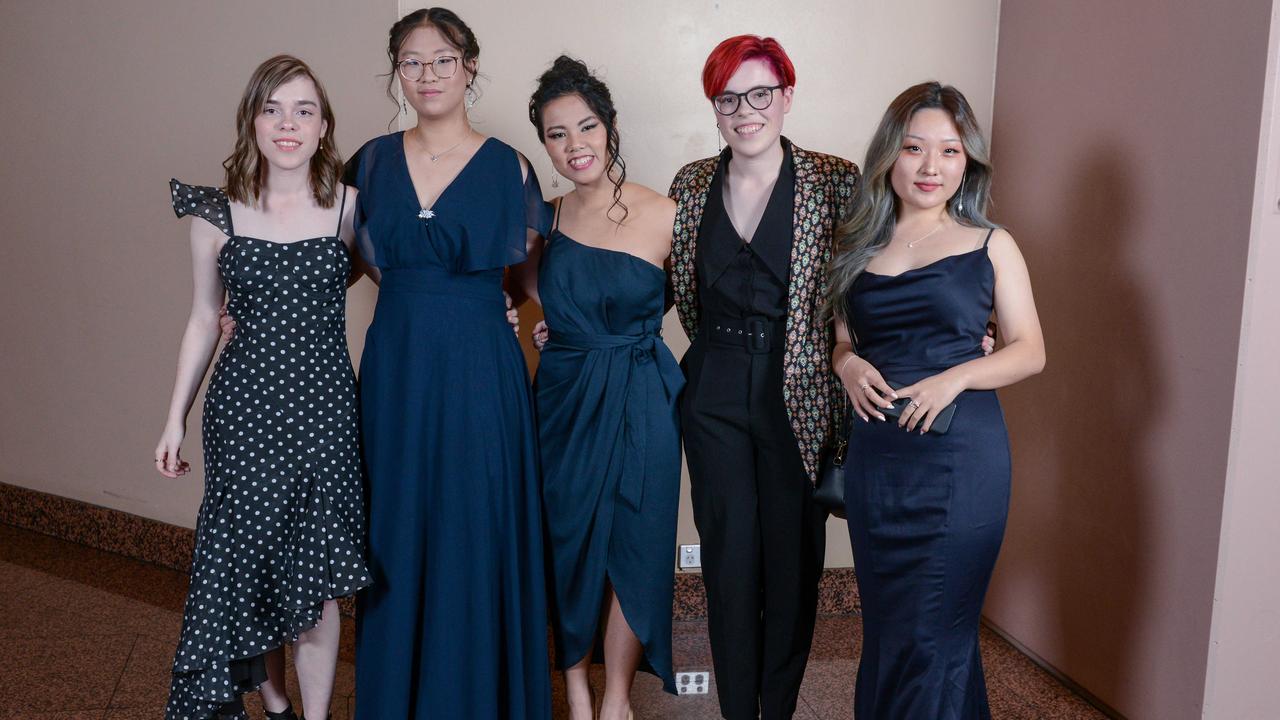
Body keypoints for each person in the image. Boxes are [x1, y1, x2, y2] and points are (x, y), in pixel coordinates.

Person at [342, 8, 551, 719]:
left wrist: (498, 310)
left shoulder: (511, 167)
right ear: (396, 72)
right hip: (397, 367)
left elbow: (527, 278)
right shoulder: (368, 162)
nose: (427, 73)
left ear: (468, 66)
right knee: (396, 527)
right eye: (411, 60)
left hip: (481, 373)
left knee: (473, 524)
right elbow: (341, 262)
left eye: (442, 58)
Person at [155, 54, 370, 720]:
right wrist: (173, 419)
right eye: (272, 108)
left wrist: (496, 306)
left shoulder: (350, 207)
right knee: (252, 565)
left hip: (328, 412)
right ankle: (274, 700)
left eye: (304, 110)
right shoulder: (214, 216)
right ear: (251, 119)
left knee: (320, 582)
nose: (288, 124)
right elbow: (200, 319)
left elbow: (404, 282)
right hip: (244, 413)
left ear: (324, 125)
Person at [827, 81, 1046, 719]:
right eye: (915, 148)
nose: (931, 166)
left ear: (967, 161)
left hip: (960, 462)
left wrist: (956, 376)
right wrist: (845, 365)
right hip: (879, 462)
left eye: (949, 151)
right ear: (889, 155)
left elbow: (1031, 349)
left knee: (936, 636)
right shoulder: (858, 245)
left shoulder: (990, 244)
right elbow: (844, 341)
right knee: (893, 636)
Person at [665, 35, 858, 720]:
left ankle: (776, 708)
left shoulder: (834, 180)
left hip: (799, 393)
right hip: (713, 386)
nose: (745, 111)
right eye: (728, 98)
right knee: (728, 562)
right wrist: (568, 320)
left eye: (759, 94)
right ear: (715, 107)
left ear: (786, 96)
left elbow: (872, 282)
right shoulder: (690, 184)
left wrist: (951, 335)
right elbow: (653, 282)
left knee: (792, 564)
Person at [518, 56, 682, 720]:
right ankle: (577, 693)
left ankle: (616, 696)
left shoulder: (667, 213)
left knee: (636, 548)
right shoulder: (546, 223)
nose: (575, 145)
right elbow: (516, 297)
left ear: (609, 129)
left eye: (586, 127)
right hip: (562, 398)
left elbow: (710, 307)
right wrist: (544, 327)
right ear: (545, 146)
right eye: (558, 134)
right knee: (566, 543)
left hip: (643, 396)